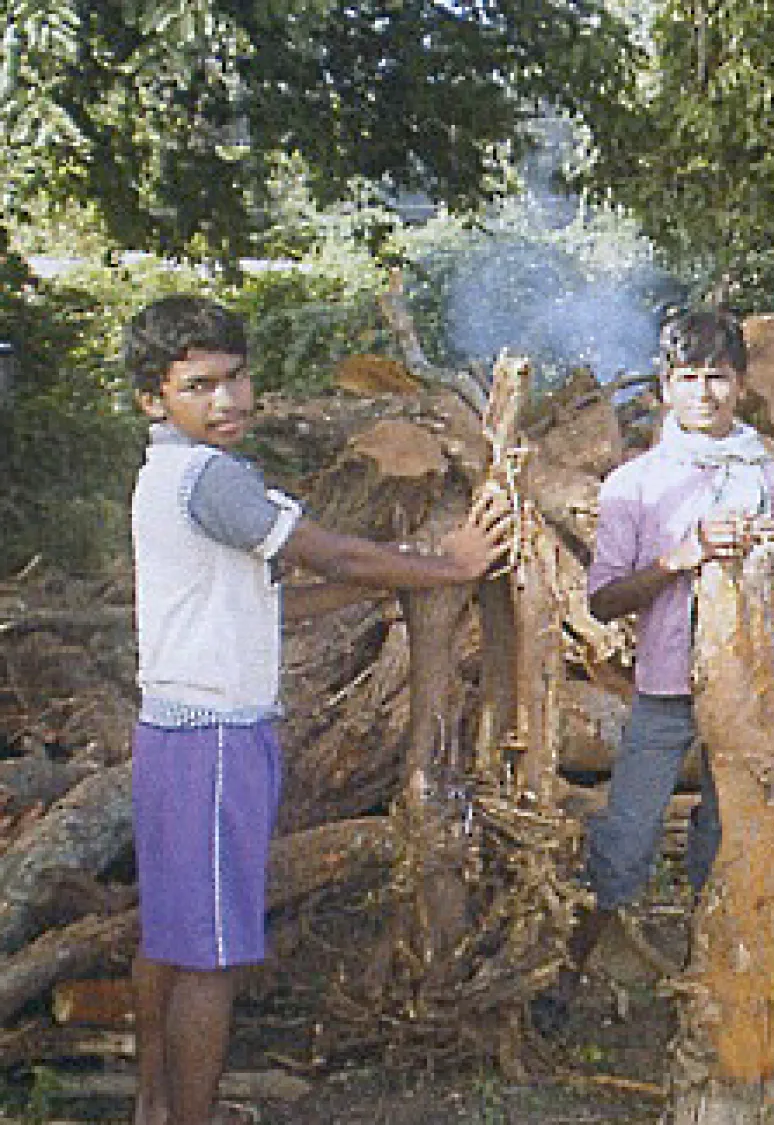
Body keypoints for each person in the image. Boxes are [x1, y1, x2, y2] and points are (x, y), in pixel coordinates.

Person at [124, 295, 510, 1125]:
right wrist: (446, 567)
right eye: (199, 385)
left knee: (169, 937)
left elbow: (275, 602)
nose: (227, 401)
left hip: (170, 735)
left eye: (236, 378)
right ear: (153, 400)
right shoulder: (211, 478)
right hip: (218, 741)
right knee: (210, 959)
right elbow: (326, 551)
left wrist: (401, 579)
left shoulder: (164, 477)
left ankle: (153, 1110)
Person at [530, 306, 774, 1035]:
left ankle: (722, 979)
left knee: (730, 842)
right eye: (690, 378)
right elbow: (604, 596)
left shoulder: (768, 472)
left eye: (718, 378)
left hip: (751, 695)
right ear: (666, 387)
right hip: (665, 693)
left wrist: (767, 556)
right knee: (626, 838)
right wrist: (682, 557)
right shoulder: (635, 483)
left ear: (742, 384)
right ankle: (563, 977)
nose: (705, 393)